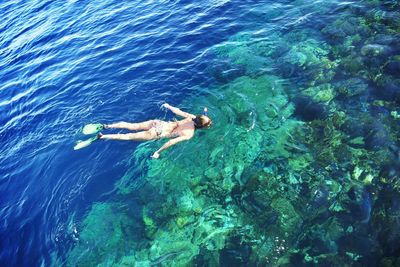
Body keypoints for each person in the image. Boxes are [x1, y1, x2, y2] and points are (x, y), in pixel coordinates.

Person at [98, 103, 212, 158]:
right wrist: (157, 152)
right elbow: (171, 142)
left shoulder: (191, 117)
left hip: (158, 123)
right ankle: (103, 136)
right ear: (202, 126)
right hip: (157, 133)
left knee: (131, 125)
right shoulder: (189, 134)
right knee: (129, 136)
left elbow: (177, 111)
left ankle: (107, 126)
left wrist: (168, 106)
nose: (209, 123)